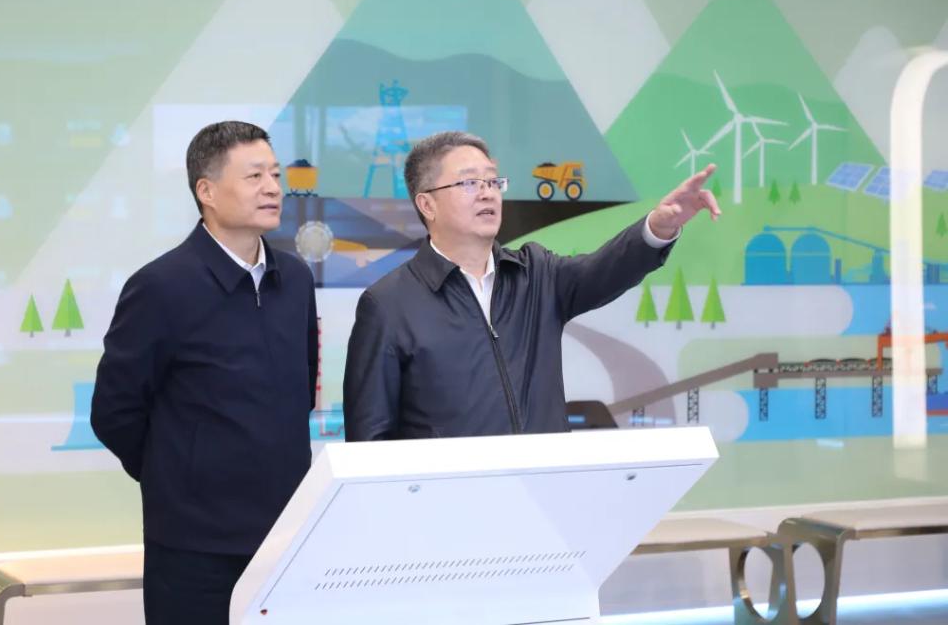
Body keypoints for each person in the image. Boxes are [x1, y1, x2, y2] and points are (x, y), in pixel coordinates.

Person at [343, 130, 718, 441]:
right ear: (427, 205)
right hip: (451, 502)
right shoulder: (389, 304)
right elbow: (370, 439)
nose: (488, 192)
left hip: (545, 494)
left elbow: (604, 270)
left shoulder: (535, 274)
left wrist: (658, 228)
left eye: (493, 181)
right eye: (470, 182)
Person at [91, 121, 318, 625]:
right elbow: (114, 411)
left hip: (285, 537)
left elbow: (300, 390)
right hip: (194, 548)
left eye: (275, 175)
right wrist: (180, 473)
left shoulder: (296, 278)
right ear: (206, 191)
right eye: (254, 176)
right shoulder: (161, 286)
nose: (272, 188)